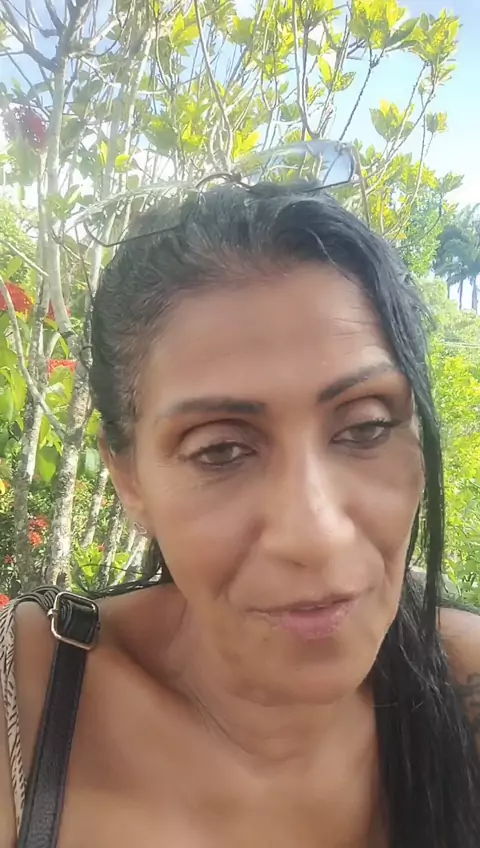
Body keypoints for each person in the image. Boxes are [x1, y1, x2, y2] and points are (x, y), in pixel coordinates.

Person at [1, 180, 480, 848]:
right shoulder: (29, 704)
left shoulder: (465, 682)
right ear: (129, 477)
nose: (315, 536)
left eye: (366, 427)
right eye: (221, 450)